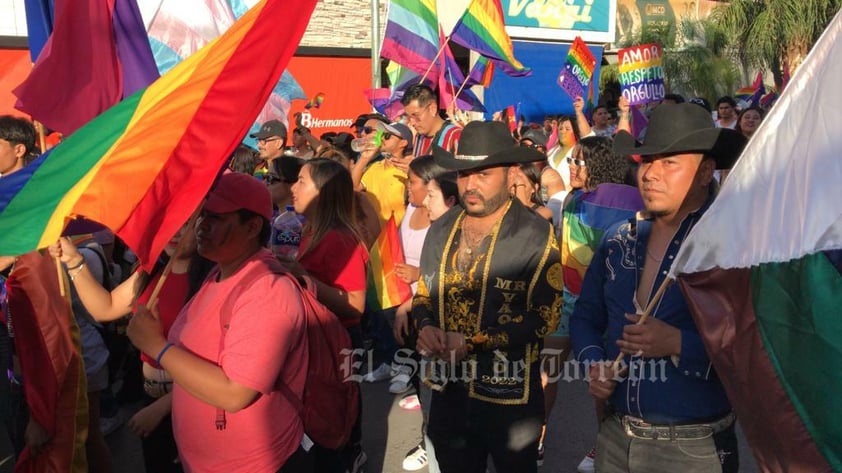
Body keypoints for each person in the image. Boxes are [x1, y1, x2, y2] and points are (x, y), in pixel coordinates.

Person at [570, 103, 748, 473]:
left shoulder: (734, 249)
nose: (651, 173)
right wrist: (594, 363)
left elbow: (756, 347)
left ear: (705, 172)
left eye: (670, 162)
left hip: (693, 448)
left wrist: (678, 343)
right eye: (648, 160)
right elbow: (585, 315)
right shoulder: (619, 239)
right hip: (615, 438)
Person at [126, 172, 312, 472]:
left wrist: (156, 346)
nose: (201, 227)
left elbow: (234, 393)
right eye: (202, 216)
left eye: (215, 218)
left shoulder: (268, 291)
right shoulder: (218, 272)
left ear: (252, 227)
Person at [412, 121, 561, 473]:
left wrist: (473, 342)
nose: (471, 184)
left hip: (511, 398)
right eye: (464, 174)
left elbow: (545, 315)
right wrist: (426, 325)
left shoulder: (535, 233)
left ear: (511, 175)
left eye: (483, 174)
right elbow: (424, 293)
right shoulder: (441, 229)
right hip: (450, 391)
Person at [50, 225, 214, 473]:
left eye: (186, 225)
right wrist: (74, 261)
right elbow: (106, 307)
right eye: (172, 222)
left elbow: (215, 366)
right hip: (150, 397)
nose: (174, 232)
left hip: (188, 404)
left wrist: (162, 408)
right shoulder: (150, 270)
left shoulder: (212, 280)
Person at [554, 136, 644, 473]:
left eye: (579, 161)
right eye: (571, 161)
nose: (571, 167)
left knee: (604, 382)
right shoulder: (572, 199)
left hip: (607, 305)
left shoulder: (627, 201)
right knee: (548, 372)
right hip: (568, 300)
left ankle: (604, 443)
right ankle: (537, 439)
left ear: (600, 164)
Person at [288, 158, 369, 473]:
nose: (293, 188)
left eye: (301, 181)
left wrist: (303, 279)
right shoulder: (308, 229)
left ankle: (349, 457)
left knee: (338, 411)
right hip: (318, 337)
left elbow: (356, 305)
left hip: (340, 341)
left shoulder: (340, 238)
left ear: (324, 192)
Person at [352, 121, 415, 226]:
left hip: (396, 236)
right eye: (381, 135)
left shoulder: (408, 170)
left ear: (403, 143)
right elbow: (354, 187)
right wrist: (364, 158)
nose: (381, 139)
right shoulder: (375, 167)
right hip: (376, 237)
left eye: (387, 135)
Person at [401, 84, 461, 157]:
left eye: (416, 115)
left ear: (433, 109)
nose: (412, 123)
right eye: (408, 117)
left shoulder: (455, 135)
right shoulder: (419, 137)